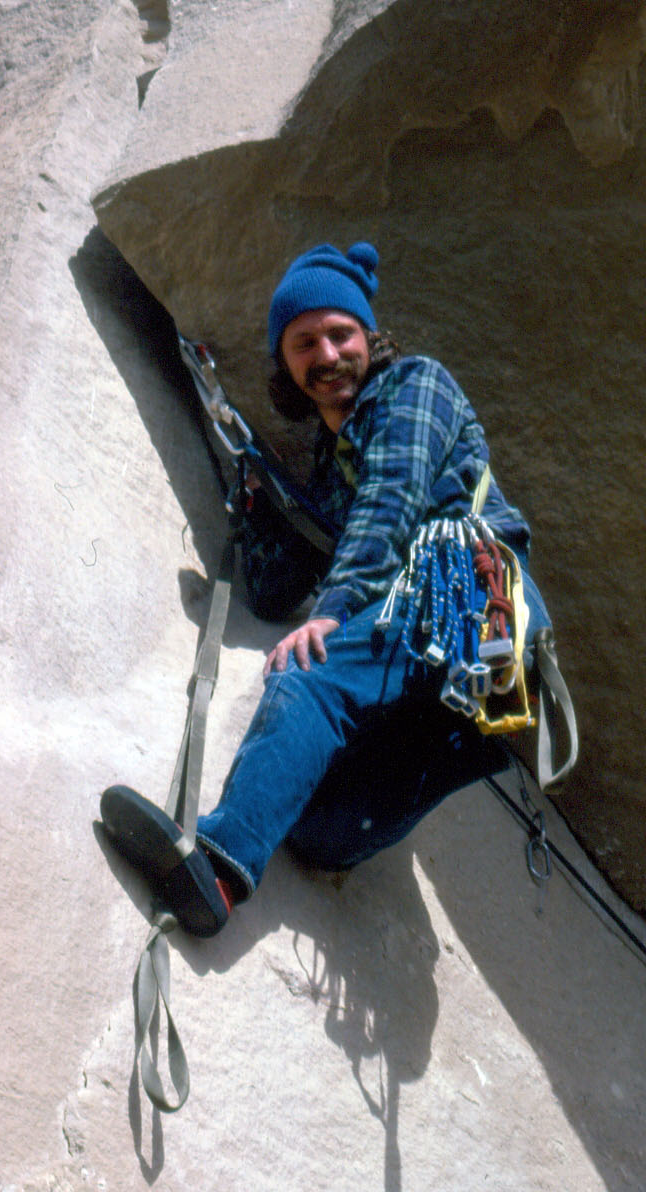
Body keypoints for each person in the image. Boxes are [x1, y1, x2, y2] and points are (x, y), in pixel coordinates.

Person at [101, 240, 552, 936]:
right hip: (449, 665)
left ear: (369, 336)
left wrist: (336, 614)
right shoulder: (330, 466)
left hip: (466, 590)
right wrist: (257, 510)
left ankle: (218, 871)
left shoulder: (416, 387)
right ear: (286, 364)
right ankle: (457, 741)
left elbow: (392, 499)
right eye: (304, 343)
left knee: (310, 670)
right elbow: (280, 589)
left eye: (340, 334)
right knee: (318, 830)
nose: (327, 355)